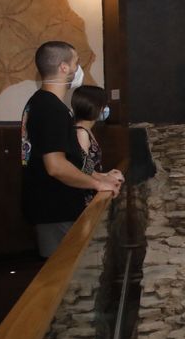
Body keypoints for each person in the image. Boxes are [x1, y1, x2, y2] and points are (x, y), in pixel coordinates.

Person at [21, 41, 122, 259]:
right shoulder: (50, 108)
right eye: (76, 62)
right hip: (55, 206)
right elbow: (56, 166)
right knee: (64, 271)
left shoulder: (43, 103)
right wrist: (97, 184)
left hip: (57, 204)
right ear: (64, 67)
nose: (78, 69)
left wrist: (99, 175)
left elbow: (73, 156)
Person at [71, 84, 120, 205]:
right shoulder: (81, 132)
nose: (106, 109)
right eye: (104, 105)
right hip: (85, 196)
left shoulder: (87, 130)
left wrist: (106, 175)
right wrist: (105, 178)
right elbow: (83, 168)